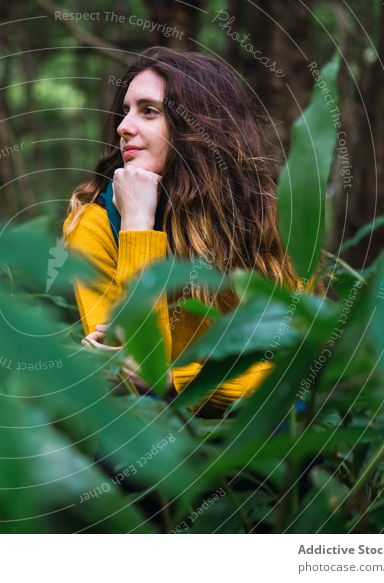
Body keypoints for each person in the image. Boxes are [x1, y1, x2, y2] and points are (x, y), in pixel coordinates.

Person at [62, 47, 305, 418]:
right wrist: (137, 225)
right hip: (154, 427)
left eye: (148, 111)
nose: (123, 126)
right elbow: (134, 366)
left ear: (200, 127)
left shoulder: (263, 212)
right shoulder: (96, 222)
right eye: (125, 110)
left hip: (256, 425)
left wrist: (176, 380)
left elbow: (291, 360)